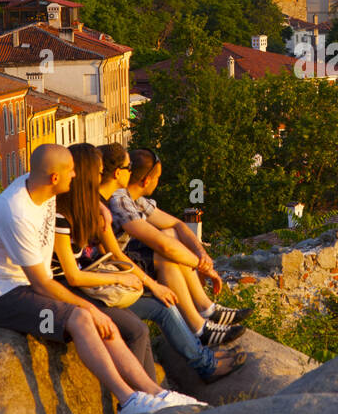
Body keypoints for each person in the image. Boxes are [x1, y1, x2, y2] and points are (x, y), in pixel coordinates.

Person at [0, 143, 200, 414]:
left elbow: (78, 202)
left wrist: (100, 207)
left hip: (28, 283)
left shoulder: (40, 189)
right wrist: (90, 309)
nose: (75, 175)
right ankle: (128, 401)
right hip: (2, 293)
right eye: (71, 171)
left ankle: (155, 394)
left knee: (108, 324)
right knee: (83, 317)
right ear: (55, 178)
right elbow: (42, 284)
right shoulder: (16, 213)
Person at [55, 144, 245, 384]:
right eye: (127, 167)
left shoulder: (95, 206)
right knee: (148, 319)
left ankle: (160, 389)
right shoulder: (71, 213)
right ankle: (199, 359)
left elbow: (112, 253)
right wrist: (148, 283)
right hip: (84, 292)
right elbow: (78, 274)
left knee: (149, 319)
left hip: (98, 285)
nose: (130, 171)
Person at [100, 144, 251, 348]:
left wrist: (201, 254)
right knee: (166, 255)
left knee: (170, 234)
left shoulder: (132, 198)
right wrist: (203, 266)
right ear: (146, 180)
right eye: (158, 177)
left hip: (122, 257)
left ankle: (206, 309)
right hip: (114, 266)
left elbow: (177, 224)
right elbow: (164, 247)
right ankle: (199, 327)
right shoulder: (120, 199)